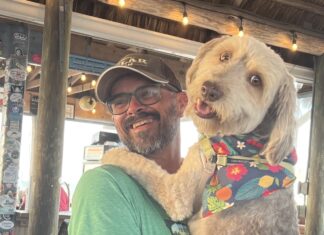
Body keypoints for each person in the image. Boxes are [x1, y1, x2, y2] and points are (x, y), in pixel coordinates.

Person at [68, 53, 189, 235]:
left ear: (181, 103)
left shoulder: (205, 182)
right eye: (119, 102)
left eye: (147, 93)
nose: (132, 108)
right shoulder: (107, 185)